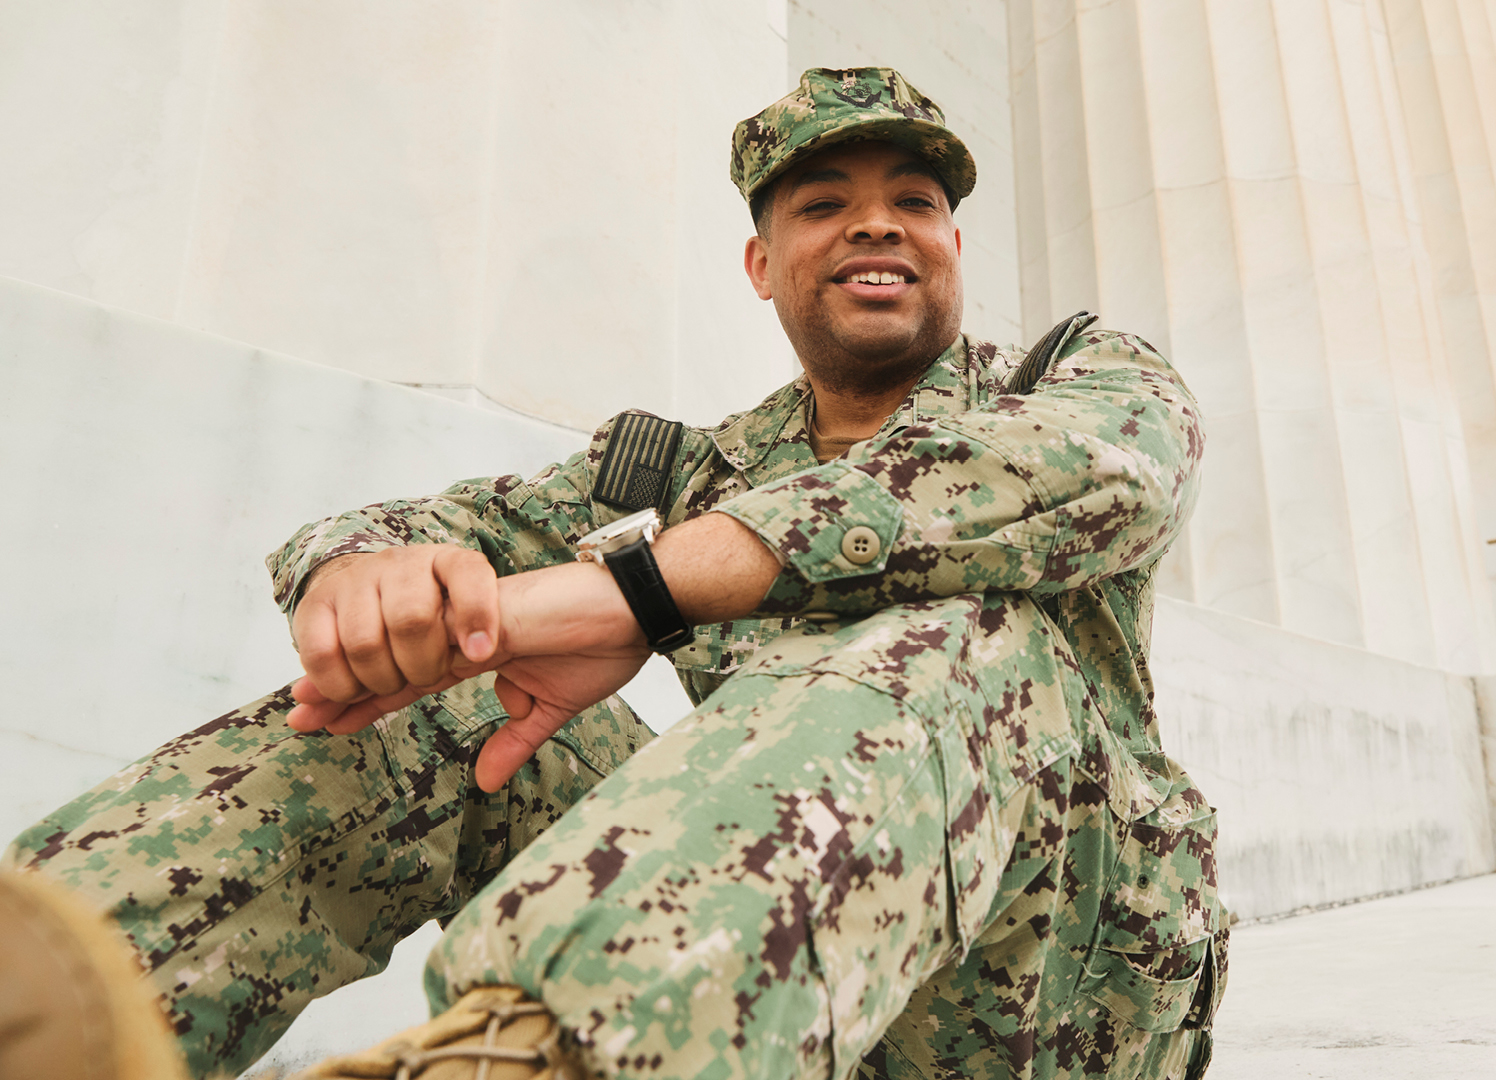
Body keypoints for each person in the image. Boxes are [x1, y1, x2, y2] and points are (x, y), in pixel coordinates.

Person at [4, 67, 1226, 1080]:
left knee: (953, 631)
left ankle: (554, 1056)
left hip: (1046, 1013)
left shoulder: (1071, 382)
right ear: (761, 266)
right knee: (448, 701)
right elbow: (437, 529)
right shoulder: (693, 472)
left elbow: (1093, 475)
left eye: (913, 199)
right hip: (758, 1000)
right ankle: (69, 1003)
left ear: (952, 247)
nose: (874, 223)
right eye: (820, 204)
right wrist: (371, 579)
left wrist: (641, 592)